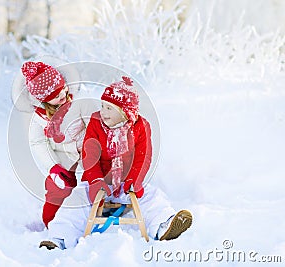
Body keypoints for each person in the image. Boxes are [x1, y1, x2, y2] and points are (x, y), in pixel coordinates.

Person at [40, 76, 192, 250]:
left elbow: (143, 157)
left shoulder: (141, 126)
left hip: (127, 183)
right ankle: (59, 237)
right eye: (102, 106)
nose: (103, 112)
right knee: (76, 200)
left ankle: (163, 224)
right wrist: (96, 180)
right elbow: (90, 156)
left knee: (152, 196)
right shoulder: (96, 123)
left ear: (125, 112)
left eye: (109, 108)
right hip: (99, 182)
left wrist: (134, 180)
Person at [20, 61, 98, 228]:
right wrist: (53, 166)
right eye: (55, 96)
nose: (62, 94)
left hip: (86, 148)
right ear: (45, 100)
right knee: (58, 188)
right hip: (62, 154)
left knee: (91, 180)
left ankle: (94, 213)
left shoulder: (78, 101)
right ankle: (51, 222)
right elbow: (38, 142)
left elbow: (94, 122)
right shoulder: (40, 118)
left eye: (63, 88)